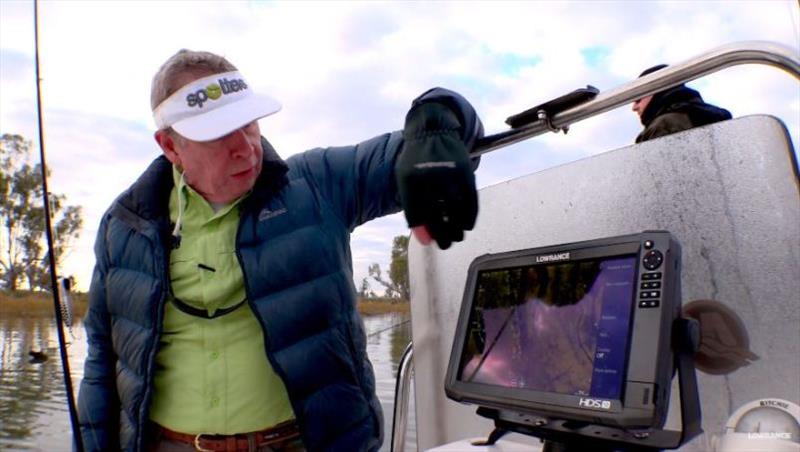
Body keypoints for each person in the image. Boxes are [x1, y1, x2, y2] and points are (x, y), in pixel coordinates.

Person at [77, 49, 483, 452]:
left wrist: (437, 122)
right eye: (218, 134)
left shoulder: (318, 184)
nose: (245, 147)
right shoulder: (124, 225)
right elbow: (102, 363)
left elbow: (425, 146)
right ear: (170, 147)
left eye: (248, 123)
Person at [632, 64, 732, 143]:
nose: (634, 107)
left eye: (638, 99)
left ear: (656, 91)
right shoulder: (709, 115)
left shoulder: (665, 125)